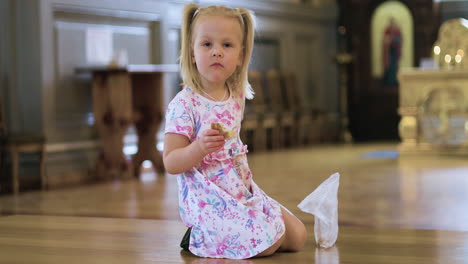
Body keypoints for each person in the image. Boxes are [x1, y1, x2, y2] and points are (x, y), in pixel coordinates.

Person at [163, 3, 307, 259]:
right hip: (210, 203)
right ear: (193, 52)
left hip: (240, 192)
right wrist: (198, 148)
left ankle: (239, 230)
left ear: (240, 55)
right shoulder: (184, 104)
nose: (217, 52)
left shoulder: (236, 96)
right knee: (269, 243)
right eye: (207, 44)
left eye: (226, 45)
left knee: (297, 236)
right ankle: (198, 234)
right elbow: (171, 162)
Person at [382, 17, 402, 88]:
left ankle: (394, 81)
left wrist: (394, 39)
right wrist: (389, 39)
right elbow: (385, 40)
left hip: (395, 51)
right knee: (389, 66)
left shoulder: (397, 30)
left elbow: (400, 40)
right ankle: (389, 82)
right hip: (389, 51)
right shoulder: (387, 30)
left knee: (394, 67)